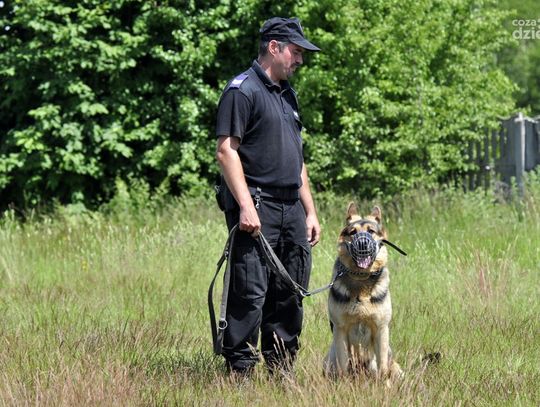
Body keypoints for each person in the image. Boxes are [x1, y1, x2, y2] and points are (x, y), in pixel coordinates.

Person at [215, 17, 321, 376]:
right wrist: (246, 206)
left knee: (290, 291)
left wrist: (310, 211)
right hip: (257, 206)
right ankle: (240, 374)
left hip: (292, 208)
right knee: (250, 292)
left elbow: (297, 157)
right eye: (296, 51)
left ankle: (282, 371)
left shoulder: (288, 94)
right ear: (274, 47)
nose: (300, 60)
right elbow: (226, 151)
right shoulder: (241, 91)